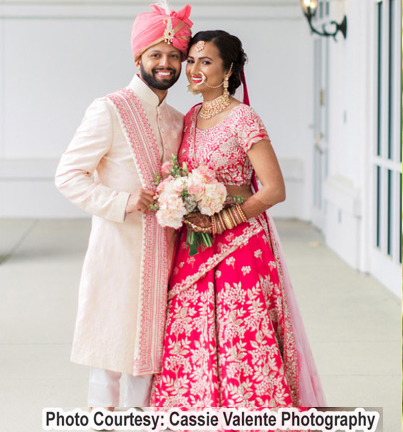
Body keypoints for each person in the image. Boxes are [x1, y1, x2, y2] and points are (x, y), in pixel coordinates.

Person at [151, 30, 326, 408]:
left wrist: (223, 221)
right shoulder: (191, 116)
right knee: (190, 332)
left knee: (240, 334)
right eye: (192, 60)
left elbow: (274, 189)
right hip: (195, 245)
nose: (194, 69)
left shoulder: (243, 118)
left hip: (241, 244)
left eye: (206, 61)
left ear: (228, 70)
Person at [55, 3, 193, 409]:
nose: (165, 63)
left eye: (173, 55)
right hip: (117, 249)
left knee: (149, 358)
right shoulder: (109, 108)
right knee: (110, 354)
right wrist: (123, 201)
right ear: (138, 59)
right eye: (156, 54)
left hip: (165, 253)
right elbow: (68, 175)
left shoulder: (176, 118)